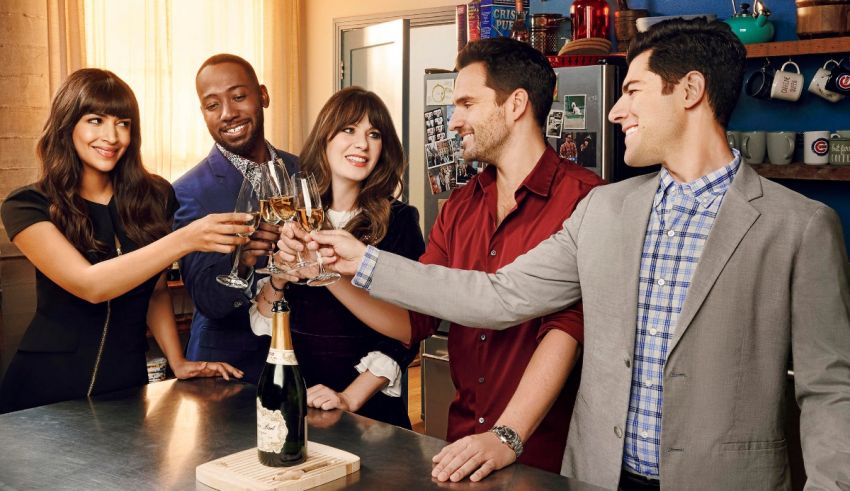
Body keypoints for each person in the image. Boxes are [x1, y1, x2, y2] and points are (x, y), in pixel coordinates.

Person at [299, 18, 850, 491]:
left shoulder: (799, 227)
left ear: (689, 91)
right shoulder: (606, 210)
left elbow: (831, 391)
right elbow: (499, 293)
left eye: (632, 91)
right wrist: (359, 262)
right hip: (595, 475)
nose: (615, 111)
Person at [280, 37, 603, 482]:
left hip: (543, 452)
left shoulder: (586, 200)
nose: (453, 121)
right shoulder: (461, 205)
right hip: (460, 444)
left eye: (467, 103)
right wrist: (330, 269)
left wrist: (506, 436)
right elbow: (415, 319)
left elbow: (568, 328)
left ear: (515, 105)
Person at [0, 69, 246, 413]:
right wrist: (184, 239)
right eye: (95, 120)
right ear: (67, 124)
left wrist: (178, 361)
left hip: (126, 381)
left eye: (123, 123)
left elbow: (157, 291)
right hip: (46, 386)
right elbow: (90, 285)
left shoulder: (156, 196)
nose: (111, 136)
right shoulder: (27, 205)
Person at [250, 87, 424, 428]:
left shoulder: (400, 221)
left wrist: (349, 397)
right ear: (324, 137)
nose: (362, 144)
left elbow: (407, 330)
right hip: (295, 402)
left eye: (374, 134)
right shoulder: (292, 218)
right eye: (349, 130)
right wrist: (279, 279)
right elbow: (264, 323)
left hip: (369, 413)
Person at [173, 54, 298, 383]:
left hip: (306, 363)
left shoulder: (305, 170)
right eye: (212, 105)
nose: (227, 113)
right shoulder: (186, 191)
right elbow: (207, 301)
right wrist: (242, 263)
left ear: (263, 96)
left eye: (239, 97)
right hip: (230, 371)